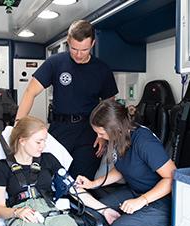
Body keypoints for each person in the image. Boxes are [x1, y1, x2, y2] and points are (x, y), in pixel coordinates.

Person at [15, 19, 118, 180]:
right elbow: (30, 92)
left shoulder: (102, 70)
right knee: (50, 177)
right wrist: (18, 124)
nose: (78, 54)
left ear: (92, 44)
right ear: (68, 41)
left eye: (84, 49)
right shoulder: (55, 63)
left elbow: (109, 105)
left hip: (88, 133)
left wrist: (103, 135)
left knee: (81, 181)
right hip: (59, 130)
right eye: (74, 48)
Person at [75, 99, 176, 226]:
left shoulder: (144, 141)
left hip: (161, 200)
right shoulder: (118, 137)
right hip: (136, 191)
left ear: (115, 127)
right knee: (94, 214)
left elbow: (172, 178)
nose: (99, 136)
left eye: (101, 133)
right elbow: (123, 169)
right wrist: (93, 183)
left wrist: (142, 200)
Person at [0, 116, 98, 226]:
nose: (43, 146)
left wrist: (104, 210)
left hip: (51, 211)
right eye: (38, 142)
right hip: (22, 215)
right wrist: (16, 212)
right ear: (22, 140)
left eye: (44, 141)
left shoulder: (48, 159)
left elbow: (73, 189)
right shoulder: (2, 167)